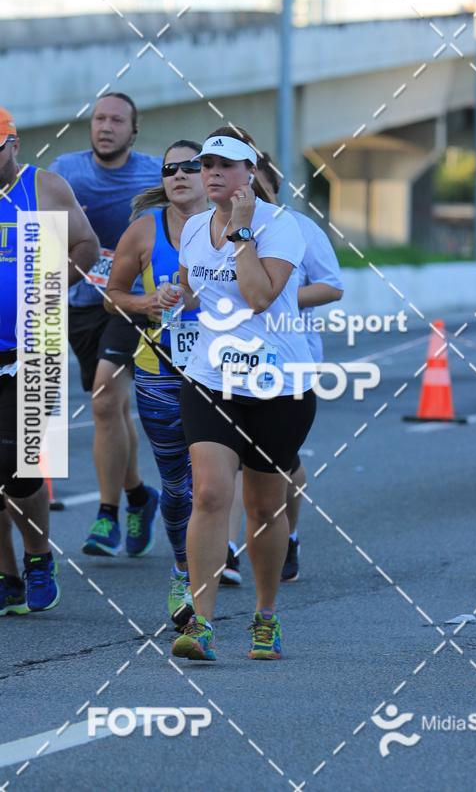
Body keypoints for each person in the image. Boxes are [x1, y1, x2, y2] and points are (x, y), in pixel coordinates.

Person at [164, 126, 317, 661]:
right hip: (211, 378)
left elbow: (255, 295)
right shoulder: (193, 227)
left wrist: (243, 232)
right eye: (205, 164)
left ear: (249, 174)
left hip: (279, 385)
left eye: (224, 166)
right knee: (208, 493)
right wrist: (172, 293)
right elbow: (191, 290)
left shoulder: (281, 228)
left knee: (263, 505)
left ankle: (265, 616)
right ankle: (201, 622)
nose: (208, 173)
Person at [49, 93, 162, 558]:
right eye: (99, 119)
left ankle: (107, 515)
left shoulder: (155, 173)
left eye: (117, 120)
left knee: (104, 400)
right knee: (111, 409)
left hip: (130, 302)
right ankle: (139, 494)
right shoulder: (66, 170)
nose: (106, 126)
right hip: (77, 302)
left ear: (133, 131)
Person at [223, 151, 343, 586]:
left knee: (279, 465)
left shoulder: (297, 227)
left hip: (291, 356)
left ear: (267, 181)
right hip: (230, 359)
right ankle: (227, 551)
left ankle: (287, 535)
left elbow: (332, 286)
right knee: (232, 459)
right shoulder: (212, 227)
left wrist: (280, 296)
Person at [0, 106, 99, 615]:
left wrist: (53, 286)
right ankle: (7, 575)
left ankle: (39, 557)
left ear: (13, 145)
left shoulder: (44, 188)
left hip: (36, 341)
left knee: (27, 466)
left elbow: (86, 243)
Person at [106, 140, 206, 625]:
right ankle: (183, 571)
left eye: (191, 166)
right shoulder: (145, 231)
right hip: (160, 373)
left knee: (212, 482)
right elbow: (113, 296)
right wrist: (148, 304)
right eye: (170, 169)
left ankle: (207, 571)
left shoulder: (238, 228)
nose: (179, 175)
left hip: (223, 374)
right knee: (178, 486)